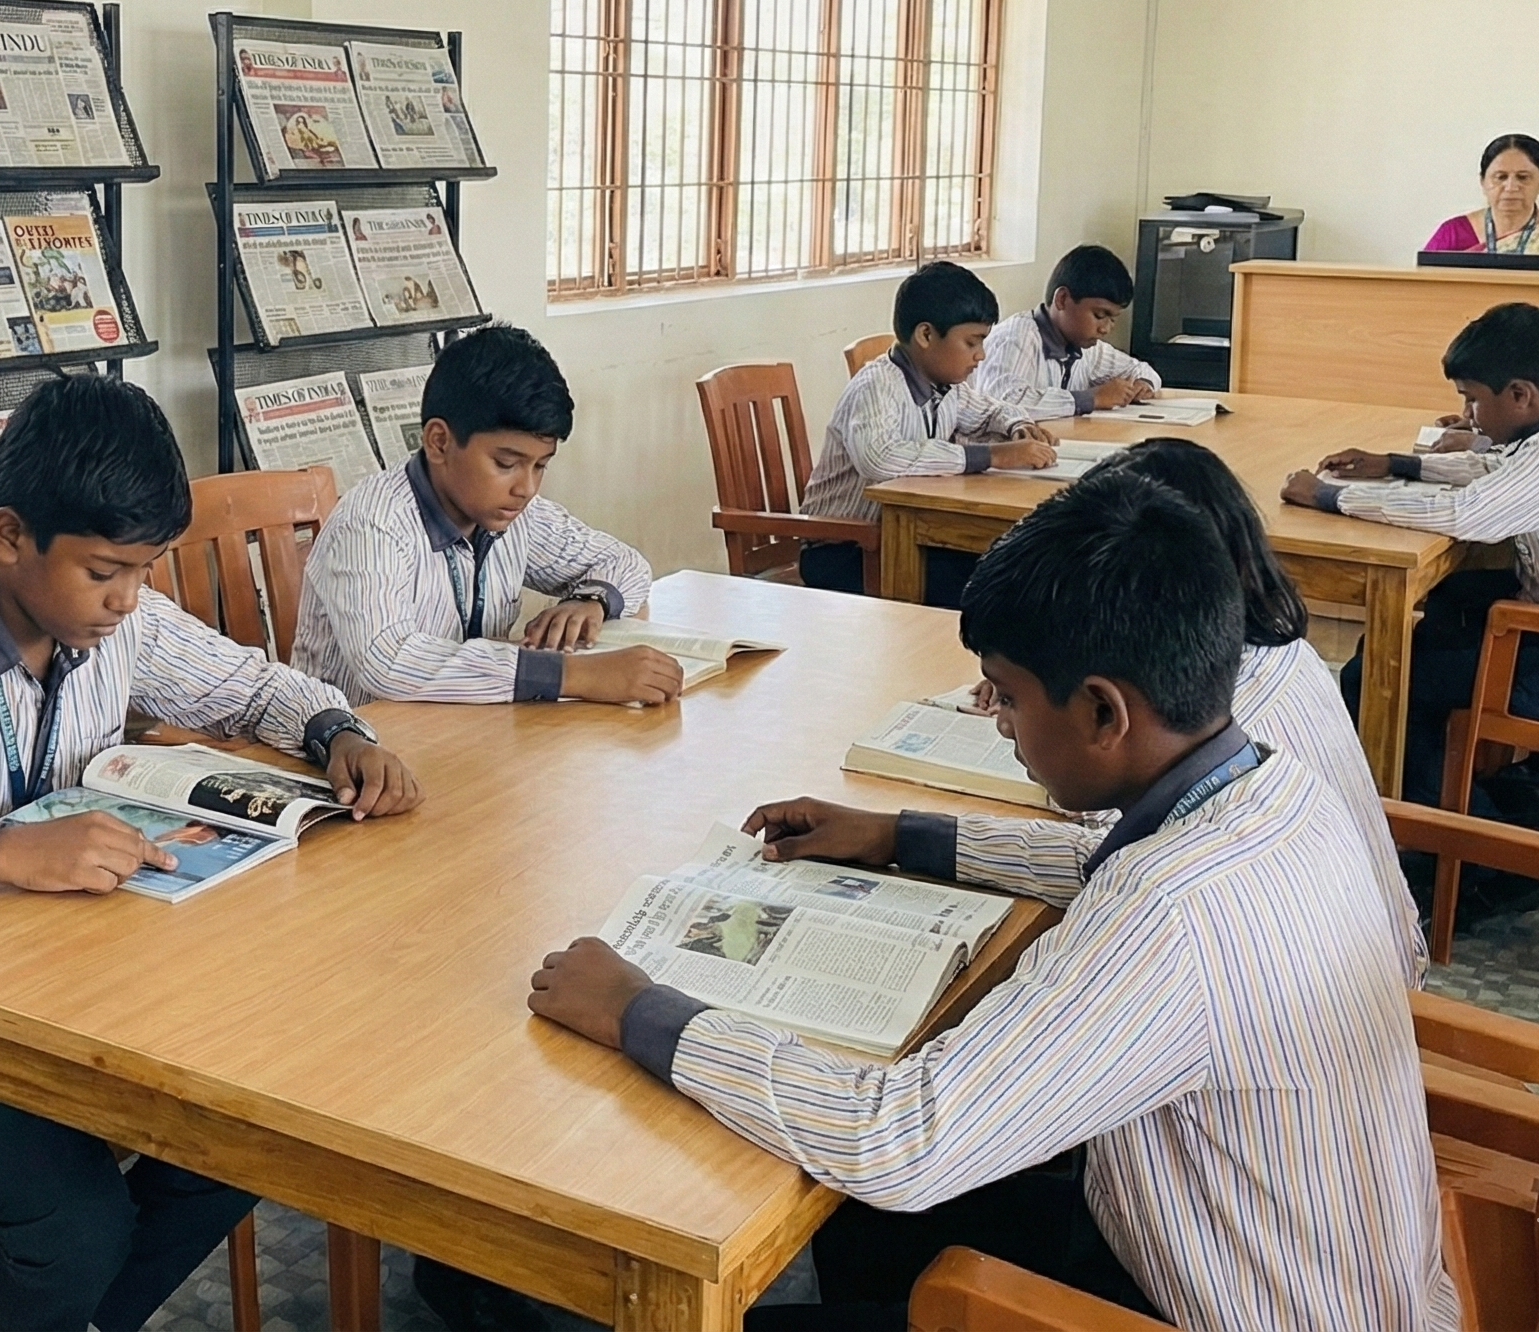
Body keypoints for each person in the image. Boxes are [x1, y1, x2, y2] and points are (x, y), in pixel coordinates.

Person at [529, 472, 1456, 1330]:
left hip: (1226, 1301)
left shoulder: (1173, 917)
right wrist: (904, 837)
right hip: (1315, 1264)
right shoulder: (1269, 789)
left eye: (1009, 699)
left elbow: (900, 1140)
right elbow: (1100, 863)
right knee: (872, 1229)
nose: (999, 720)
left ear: (1103, 711)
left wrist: (641, 1010)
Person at [0, 374, 421, 1332]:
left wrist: (338, 731)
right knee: (80, 1223)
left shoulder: (111, 621)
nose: (129, 601)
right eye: (106, 573)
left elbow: (253, 687)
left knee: (254, 1132)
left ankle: (43, 1318)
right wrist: (5, 852)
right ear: (11, 536)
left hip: (57, 988)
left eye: (144, 571)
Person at [1088, 439, 1425, 979]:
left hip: (1329, 989)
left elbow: (1101, 846)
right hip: (1371, 954)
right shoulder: (1280, 648)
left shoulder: (1212, 711)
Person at [294, 324, 676, 708]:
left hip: (468, 734)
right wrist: (571, 674)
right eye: (506, 463)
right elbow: (389, 661)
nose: (526, 487)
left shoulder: (515, 514)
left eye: (541, 465)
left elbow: (625, 563)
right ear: (439, 442)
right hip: (357, 749)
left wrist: (590, 601)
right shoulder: (372, 524)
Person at [1283, 300, 1539, 807]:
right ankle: (1445, 790)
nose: (1468, 416)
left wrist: (1330, 497)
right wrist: (1397, 464)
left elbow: (1466, 514)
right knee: (1439, 610)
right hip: (1524, 616)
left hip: (1532, 645)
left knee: (1381, 674)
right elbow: (1496, 475)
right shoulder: (1528, 447)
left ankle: (1425, 833)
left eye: (1471, 400)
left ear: (1520, 395)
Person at [797, 261, 1055, 606]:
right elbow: (880, 459)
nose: (981, 355)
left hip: (903, 538)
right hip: (845, 550)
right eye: (971, 342)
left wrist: (1017, 426)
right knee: (987, 591)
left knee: (1008, 569)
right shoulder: (877, 386)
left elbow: (989, 410)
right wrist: (991, 456)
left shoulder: (946, 386)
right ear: (926, 335)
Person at [966, 244, 1160, 419]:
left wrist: (1142, 384)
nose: (1105, 328)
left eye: (1113, 319)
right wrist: (1089, 399)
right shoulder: (1016, 339)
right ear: (1062, 299)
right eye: (1100, 315)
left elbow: (1138, 368)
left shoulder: (1088, 348)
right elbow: (1004, 401)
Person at [1424, 132, 1539, 254]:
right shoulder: (1452, 234)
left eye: (1523, 177)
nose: (1510, 187)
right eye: (1501, 177)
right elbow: (1425, 273)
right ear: (1483, 181)